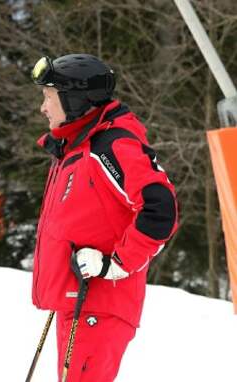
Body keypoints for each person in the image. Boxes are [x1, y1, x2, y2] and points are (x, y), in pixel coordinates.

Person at [30, 54, 178, 381]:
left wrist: (117, 263)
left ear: (75, 100)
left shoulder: (110, 146)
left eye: (48, 98)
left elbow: (161, 208)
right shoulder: (75, 148)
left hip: (99, 305)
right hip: (77, 301)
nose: (43, 107)